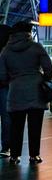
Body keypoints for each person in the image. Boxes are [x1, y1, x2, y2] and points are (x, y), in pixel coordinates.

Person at [0, 21, 52, 164]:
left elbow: (2, 76)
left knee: (16, 126)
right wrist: (43, 78)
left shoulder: (6, 51)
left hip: (15, 91)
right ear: (29, 33)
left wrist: (13, 80)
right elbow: (48, 69)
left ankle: (14, 155)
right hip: (35, 91)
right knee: (35, 125)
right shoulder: (36, 47)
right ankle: (34, 155)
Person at [0, 25, 11, 157]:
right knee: (6, 118)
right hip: (5, 87)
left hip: (4, 85)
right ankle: (6, 147)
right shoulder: (9, 51)